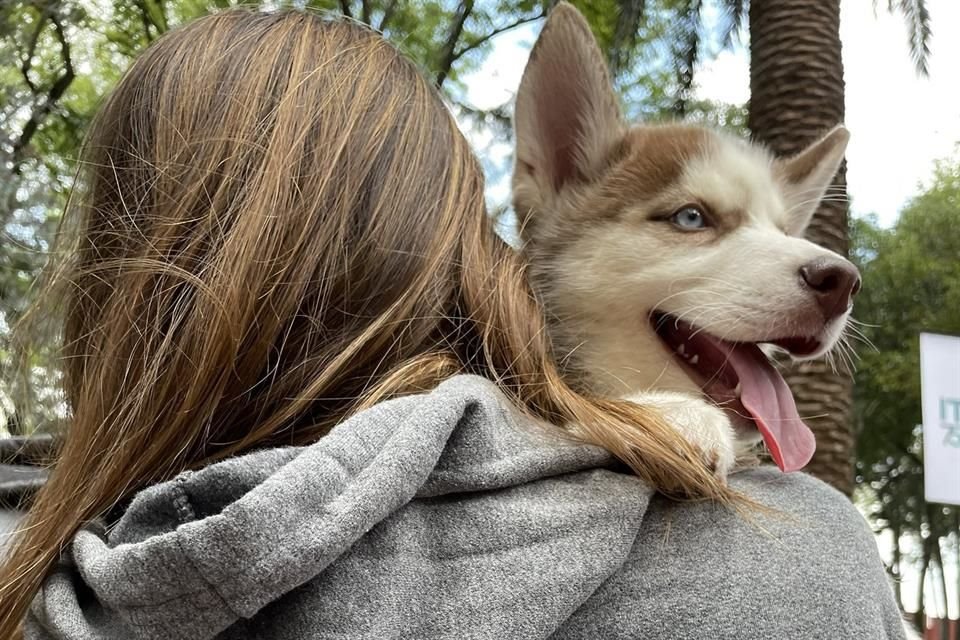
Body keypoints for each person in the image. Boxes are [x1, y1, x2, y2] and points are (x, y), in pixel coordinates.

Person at [0, 9, 908, 639]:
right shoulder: (797, 549)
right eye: (693, 218)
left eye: (779, 226)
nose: (815, 262)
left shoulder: (33, 554)